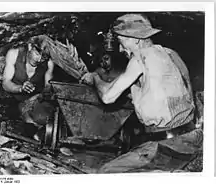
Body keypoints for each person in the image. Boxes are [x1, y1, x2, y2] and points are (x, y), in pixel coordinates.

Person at [81, 14, 202, 173]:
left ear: (136, 39)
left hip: (167, 146)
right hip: (193, 138)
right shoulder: (171, 54)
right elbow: (176, 90)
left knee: (106, 171)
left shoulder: (140, 57)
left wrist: (95, 78)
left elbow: (107, 97)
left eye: (122, 41)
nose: (120, 48)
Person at [2, 35, 55, 140]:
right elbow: (6, 83)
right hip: (13, 98)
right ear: (30, 47)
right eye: (37, 54)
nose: (39, 59)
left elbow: (48, 87)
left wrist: (40, 95)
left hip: (33, 100)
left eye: (43, 57)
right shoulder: (14, 53)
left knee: (42, 117)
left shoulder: (49, 63)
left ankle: (35, 128)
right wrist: (20, 88)